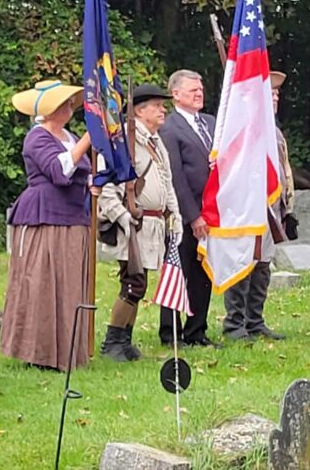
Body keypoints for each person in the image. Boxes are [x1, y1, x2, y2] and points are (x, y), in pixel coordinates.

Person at [2, 80, 92, 371]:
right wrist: (88, 140)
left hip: (73, 215)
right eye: (65, 102)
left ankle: (66, 351)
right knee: (41, 282)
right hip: (44, 216)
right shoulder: (37, 138)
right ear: (51, 108)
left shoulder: (69, 135)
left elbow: (81, 171)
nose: (71, 107)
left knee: (68, 285)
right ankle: (38, 352)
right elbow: (59, 171)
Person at [97, 84, 184, 361]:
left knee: (139, 282)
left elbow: (167, 183)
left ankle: (125, 341)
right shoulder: (123, 142)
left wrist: (175, 215)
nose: (163, 110)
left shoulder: (155, 142)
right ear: (139, 110)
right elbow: (109, 189)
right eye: (157, 105)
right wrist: (122, 218)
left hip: (153, 225)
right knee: (132, 282)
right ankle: (112, 342)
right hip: (134, 223)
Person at [221, 69, 293, 341]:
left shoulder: (272, 130)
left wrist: (287, 207)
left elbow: (282, 170)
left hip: (269, 208)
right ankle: (235, 324)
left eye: (276, 94)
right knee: (244, 262)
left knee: (262, 265)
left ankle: (255, 321)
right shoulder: (243, 128)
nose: (275, 98)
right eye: (270, 93)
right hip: (246, 205)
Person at [158, 69, 217, 347]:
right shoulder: (169, 128)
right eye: (192, 89)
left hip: (213, 210)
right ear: (176, 94)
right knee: (177, 270)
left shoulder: (211, 123)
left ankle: (197, 330)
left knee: (202, 272)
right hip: (184, 215)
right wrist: (192, 216)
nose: (199, 93)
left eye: (201, 88)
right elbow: (176, 176)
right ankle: (170, 332)